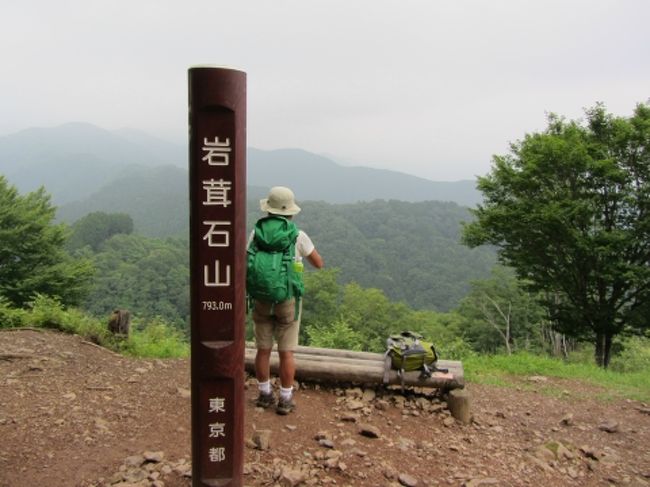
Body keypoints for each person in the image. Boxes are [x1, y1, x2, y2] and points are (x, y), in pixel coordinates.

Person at [248, 186, 324, 415]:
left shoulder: (256, 234)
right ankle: (285, 399)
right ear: (290, 212)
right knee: (286, 352)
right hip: (287, 300)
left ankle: (264, 394)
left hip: (261, 298)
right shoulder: (297, 235)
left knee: (263, 350)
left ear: (268, 209)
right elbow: (319, 263)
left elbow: (246, 259)